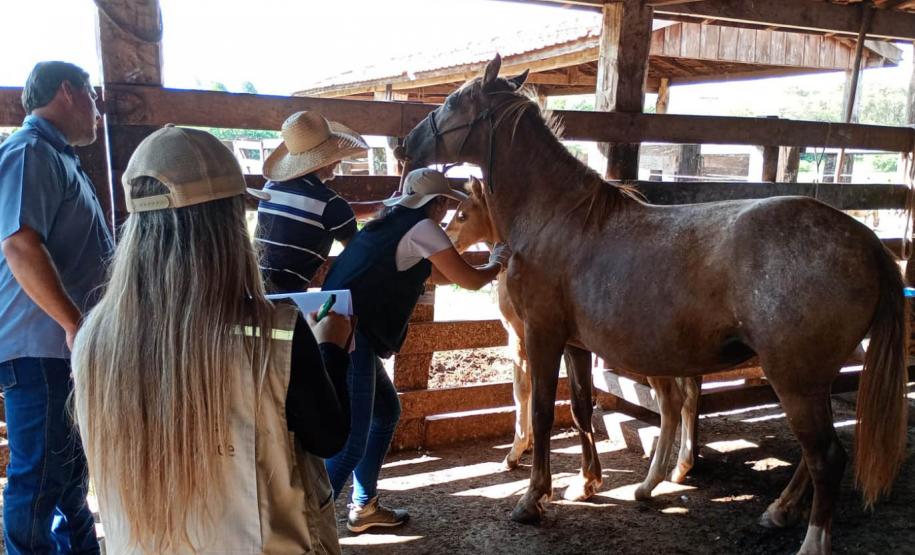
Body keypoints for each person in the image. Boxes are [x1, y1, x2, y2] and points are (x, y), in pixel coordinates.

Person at [71, 126, 353, 554]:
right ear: (228, 225)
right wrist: (330, 346)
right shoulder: (274, 333)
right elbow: (328, 437)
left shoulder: (94, 337)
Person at [322, 168, 510, 532]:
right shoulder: (424, 228)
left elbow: (437, 273)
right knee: (352, 442)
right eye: (445, 204)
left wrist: (486, 264)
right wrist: (497, 261)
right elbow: (468, 281)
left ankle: (363, 506)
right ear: (437, 203)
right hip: (352, 338)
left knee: (385, 412)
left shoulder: (390, 224)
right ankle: (301, 522)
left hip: (339, 327)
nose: (446, 212)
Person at [0, 61, 112, 555]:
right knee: (39, 477)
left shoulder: (57, 156)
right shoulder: (29, 152)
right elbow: (20, 245)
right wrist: (72, 322)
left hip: (61, 345)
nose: (98, 111)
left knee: (67, 474)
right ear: (67, 92)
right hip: (41, 345)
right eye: (93, 96)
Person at [256, 110, 369, 292]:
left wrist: (380, 206)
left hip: (255, 289)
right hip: (288, 296)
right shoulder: (331, 204)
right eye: (335, 155)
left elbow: (316, 212)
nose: (338, 160)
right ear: (325, 160)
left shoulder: (271, 187)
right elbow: (356, 253)